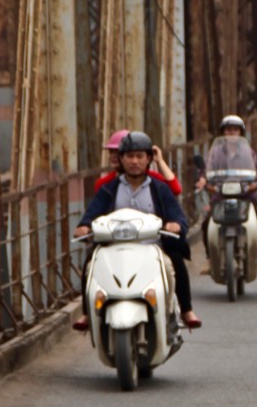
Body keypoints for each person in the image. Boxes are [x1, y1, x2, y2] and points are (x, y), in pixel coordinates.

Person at [73, 131, 201, 331]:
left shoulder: (160, 188)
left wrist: (175, 224)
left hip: (153, 247)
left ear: (149, 159)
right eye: (129, 156)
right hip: (114, 248)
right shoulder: (108, 189)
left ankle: (186, 310)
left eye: (140, 156)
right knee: (91, 264)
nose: (134, 161)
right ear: (121, 159)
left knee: (174, 262)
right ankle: (87, 313)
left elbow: (178, 216)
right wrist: (84, 226)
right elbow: (91, 214)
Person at [196, 115, 257, 272]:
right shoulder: (215, 152)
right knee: (207, 223)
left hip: (246, 195)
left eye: (235, 130)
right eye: (228, 130)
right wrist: (202, 179)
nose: (232, 133)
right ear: (223, 132)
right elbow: (206, 168)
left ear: (240, 132)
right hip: (220, 195)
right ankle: (210, 259)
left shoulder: (249, 152)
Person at [95, 130, 183, 196]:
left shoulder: (151, 179)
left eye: (117, 151)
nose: (114, 156)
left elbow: (175, 189)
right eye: (111, 152)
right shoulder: (104, 183)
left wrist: (160, 161)